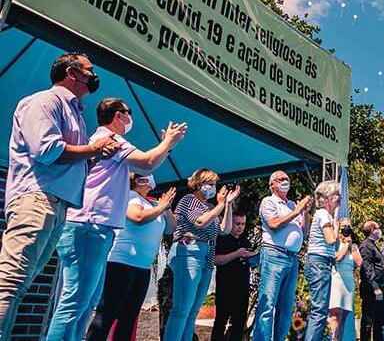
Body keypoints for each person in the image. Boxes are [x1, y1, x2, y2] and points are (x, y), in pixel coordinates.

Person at [0, 52, 119, 338]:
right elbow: (47, 150)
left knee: (21, 284)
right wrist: (95, 148)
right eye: (89, 69)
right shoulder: (45, 102)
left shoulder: (75, 112)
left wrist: (91, 158)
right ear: (72, 72)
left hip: (56, 204)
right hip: (36, 199)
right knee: (11, 281)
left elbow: (71, 158)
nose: (94, 75)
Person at [47, 98, 186, 341]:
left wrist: (167, 147)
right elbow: (147, 163)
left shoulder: (109, 143)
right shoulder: (111, 139)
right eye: (128, 112)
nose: (130, 117)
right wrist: (167, 141)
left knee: (84, 303)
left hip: (96, 227)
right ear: (118, 116)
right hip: (89, 224)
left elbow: (147, 164)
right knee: (74, 302)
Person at [86, 173, 177, 341]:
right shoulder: (131, 196)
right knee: (107, 313)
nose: (151, 178)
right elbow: (138, 217)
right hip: (121, 264)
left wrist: (167, 207)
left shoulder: (155, 204)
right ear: (138, 181)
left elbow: (171, 228)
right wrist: (160, 208)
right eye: (147, 176)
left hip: (143, 268)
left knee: (129, 317)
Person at [163, 169, 240, 341]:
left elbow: (225, 229)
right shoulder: (188, 200)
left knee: (192, 311)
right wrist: (220, 205)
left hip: (206, 258)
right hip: (188, 252)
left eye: (215, 184)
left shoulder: (211, 207)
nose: (214, 188)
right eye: (210, 184)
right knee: (181, 309)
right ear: (199, 184)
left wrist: (226, 205)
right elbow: (199, 221)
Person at [252, 171, 312, 341]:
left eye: (287, 179)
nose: (285, 181)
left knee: (286, 308)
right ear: (272, 185)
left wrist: (304, 212)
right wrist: (296, 211)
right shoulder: (269, 202)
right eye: (281, 179)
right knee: (268, 304)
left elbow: (304, 231)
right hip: (274, 255)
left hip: (292, 258)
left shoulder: (292, 205)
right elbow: (274, 224)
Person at [305, 180, 342, 341]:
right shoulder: (323, 214)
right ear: (327, 197)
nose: (339, 198)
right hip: (319, 263)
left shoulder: (323, 215)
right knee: (319, 311)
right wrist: (337, 227)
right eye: (336, 195)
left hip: (321, 263)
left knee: (321, 310)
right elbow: (330, 239)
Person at [213, 212, 255, 341]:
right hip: (225, 286)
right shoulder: (222, 239)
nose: (240, 227)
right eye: (237, 224)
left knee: (239, 323)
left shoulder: (245, 240)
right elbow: (216, 260)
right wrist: (236, 254)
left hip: (242, 286)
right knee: (221, 321)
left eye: (243, 224)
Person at [328, 219, 363, 341]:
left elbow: (359, 262)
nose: (347, 228)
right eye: (344, 226)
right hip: (337, 280)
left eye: (349, 226)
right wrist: (346, 245)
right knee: (335, 315)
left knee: (343, 316)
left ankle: (339, 338)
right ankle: (332, 338)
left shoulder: (353, 246)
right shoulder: (335, 243)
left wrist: (351, 246)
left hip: (348, 282)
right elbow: (337, 258)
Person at [359, 221, 384, 341]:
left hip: (380, 288)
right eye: (378, 228)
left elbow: (380, 267)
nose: (379, 230)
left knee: (379, 322)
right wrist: (375, 287)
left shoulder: (373, 245)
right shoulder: (366, 246)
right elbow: (368, 268)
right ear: (372, 230)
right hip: (371, 290)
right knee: (368, 322)